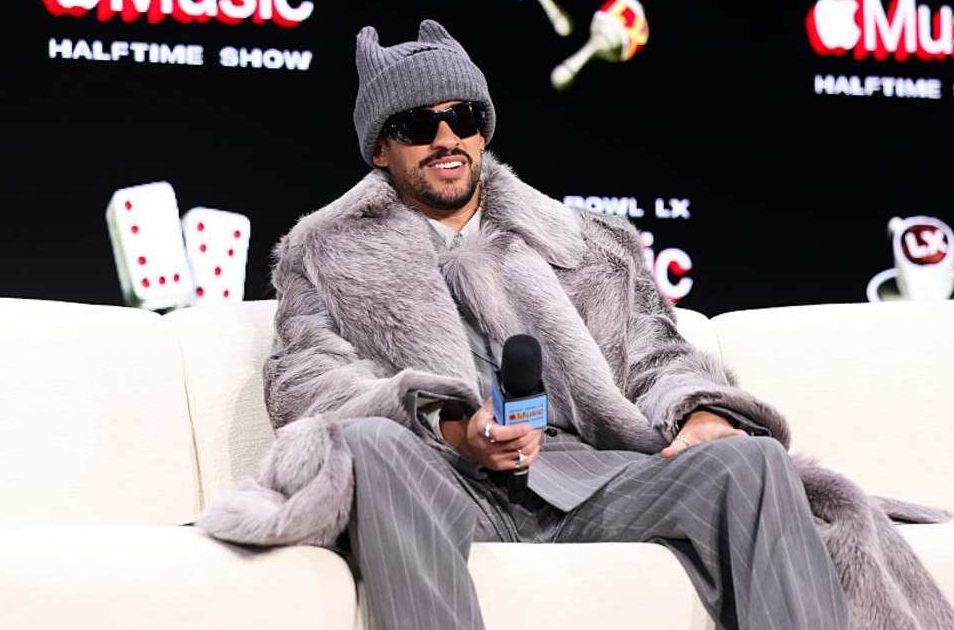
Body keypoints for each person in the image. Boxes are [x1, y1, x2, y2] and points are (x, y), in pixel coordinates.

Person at [263, 18, 849, 630]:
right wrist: (451, 425)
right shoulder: (324, 253)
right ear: (382, 149)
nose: (445, 138)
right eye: (417, 125)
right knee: (369, 441)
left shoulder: (582, 243)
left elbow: (658, 356)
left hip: (591, 478)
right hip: (445, 480)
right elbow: (306, 380)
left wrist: (697, 412)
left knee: (753, 460)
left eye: (462, 118)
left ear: (481, 133)